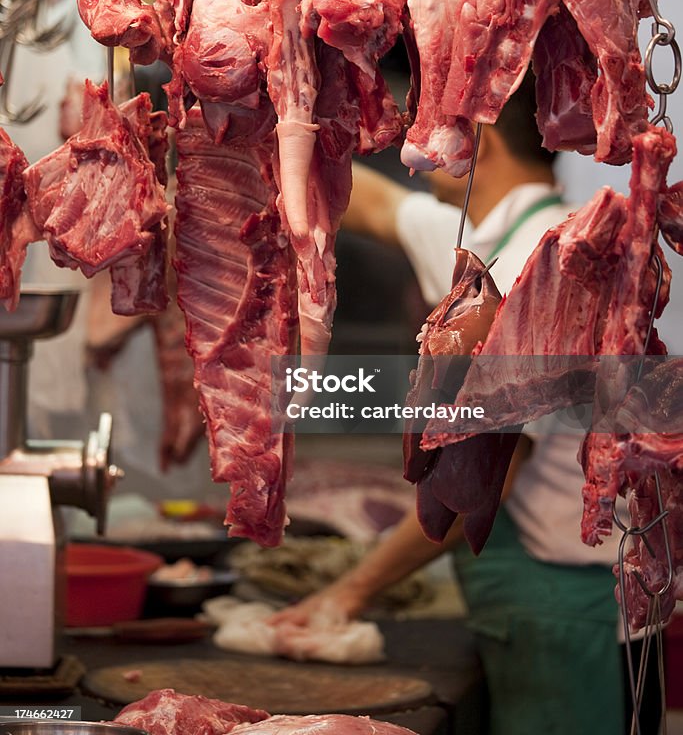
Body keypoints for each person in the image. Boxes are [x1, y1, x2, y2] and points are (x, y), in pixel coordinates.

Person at [270, 74, 661, 735]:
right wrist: (287, 125)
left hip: (561, 601)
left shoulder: (534, 272)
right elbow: (378, 206)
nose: (413, 150)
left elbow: (482, 480)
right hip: (527, 589)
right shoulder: (490, 236)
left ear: (475, 140)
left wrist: (349, 593)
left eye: (429, 133)